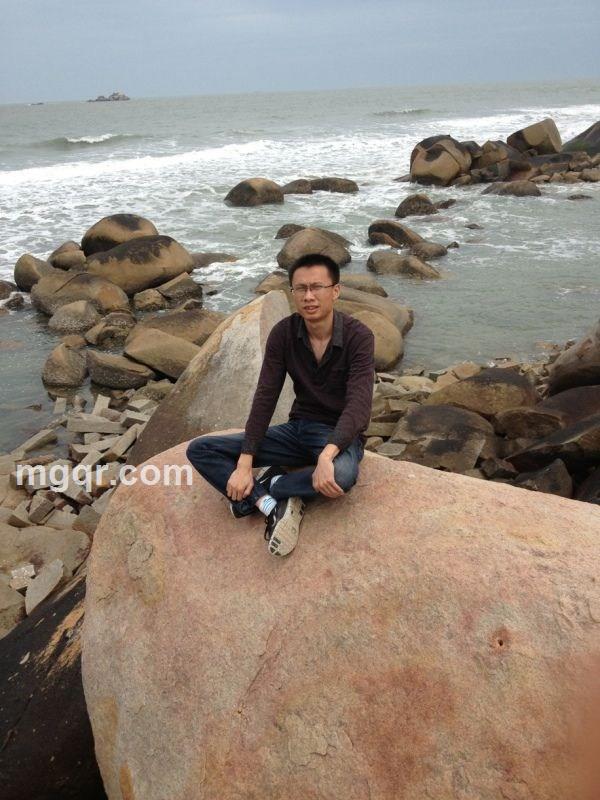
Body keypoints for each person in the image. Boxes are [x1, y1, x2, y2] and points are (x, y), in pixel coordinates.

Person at [186, 252, 375, 557]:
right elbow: (266, 397)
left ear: (335, 291)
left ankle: (272, 484)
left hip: (337, 435)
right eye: (301, 288)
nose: (309, 296)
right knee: (200, 449)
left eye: (317, 287)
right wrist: (244, 463)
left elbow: (359, 406)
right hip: (296, 430)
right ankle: (266, 501)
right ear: (293, 292)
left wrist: (327, 455)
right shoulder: (284, 333)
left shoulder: (358, 337)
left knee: (341, 476)